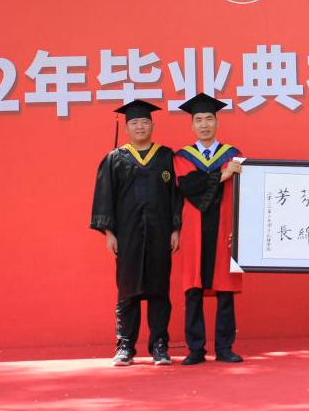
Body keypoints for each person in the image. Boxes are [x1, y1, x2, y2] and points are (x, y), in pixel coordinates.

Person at [90, 99, 180, 366]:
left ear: (152, 125)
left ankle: (160, 345)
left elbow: (176, 195)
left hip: (160, 233)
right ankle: (125, 346)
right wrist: (109, 233)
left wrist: (176, 228)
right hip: (127, 235)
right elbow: (104, 196)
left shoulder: (166, 156)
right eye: (134, 123)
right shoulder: (115, 158)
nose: (140, 126)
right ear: (127, 127)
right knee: (127, 290)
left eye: (144, 122)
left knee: (159, 290)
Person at [173, 92, 245, 365]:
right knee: (193, 290)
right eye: (199, 120)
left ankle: (225, 347)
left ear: (217, 122)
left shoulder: (234, 156)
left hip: (225, 228)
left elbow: (245, 192)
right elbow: (188, 187)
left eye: (209, 119)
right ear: (191, 124)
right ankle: (195, 349)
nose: (204, 125)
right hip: (194, 231)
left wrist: (243, 228)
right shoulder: (183, 157)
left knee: (225, 291)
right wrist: (222, 175)